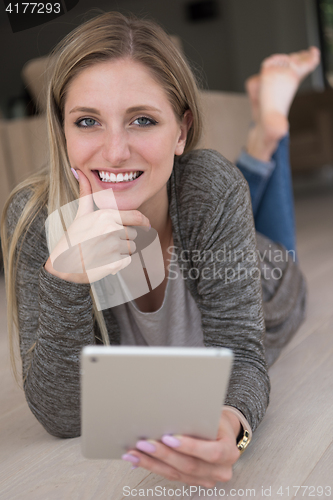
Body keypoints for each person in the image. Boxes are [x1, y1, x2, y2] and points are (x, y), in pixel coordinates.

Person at [0, 11, 318, 487]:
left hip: (267, 272)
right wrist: (64, 278)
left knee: (254, 228)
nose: (114, 151)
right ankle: (262, 135)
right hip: (198, 204)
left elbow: (245, 357)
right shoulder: (33, 218)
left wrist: (234, 429)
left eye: (142, 120)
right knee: (213, 192)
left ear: (182, 130)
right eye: (87, 121)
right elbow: (65, 417)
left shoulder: (206, 188)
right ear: (62, 130)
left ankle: (269, 131)